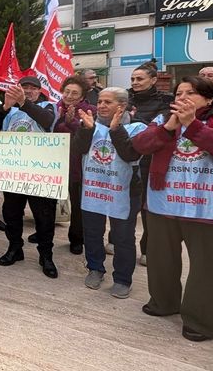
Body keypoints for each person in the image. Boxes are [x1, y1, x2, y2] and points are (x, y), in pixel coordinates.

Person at [132, 76, 213, 342]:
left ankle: (199, 321)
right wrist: (168, 128)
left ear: (209, 98)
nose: (181, 98)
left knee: (206, 267)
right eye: (178, 93)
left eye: (190, 93)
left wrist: (191, 125)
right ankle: (163, 302)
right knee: (161, 259)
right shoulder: (163, 121)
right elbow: (139, 145)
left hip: (209, 207)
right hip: (165, 203)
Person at [72, 88, 145, 299]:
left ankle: (122, 278)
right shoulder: (90, 124)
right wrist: (86, 130)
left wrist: (115, 129)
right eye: (100, 102)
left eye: (107, 102)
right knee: (93, 232)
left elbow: (131, 153)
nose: (101, 105)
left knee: (123, 237)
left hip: (124, 191)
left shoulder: (137, 127)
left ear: (121, 106)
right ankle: (95, 268)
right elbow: (79, 149)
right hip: (94, 188)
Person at [0, 76, 59, 278]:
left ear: (39, 91)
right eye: (24, 88)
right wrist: (5, 107)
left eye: (32, 88)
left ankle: (46, 255)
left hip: (41, 173)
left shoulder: (48, 107)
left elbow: (47, 121)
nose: (28, 91)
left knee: (44, 217)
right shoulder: (10, 111)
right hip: (14, 172)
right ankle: (15, 248)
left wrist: (24, 102)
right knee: (12, 213)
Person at [127, 60, 173, 265]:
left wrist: (135, 122)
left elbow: (161, 129)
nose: (135, 82)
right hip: (124, 157)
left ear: (153, 80)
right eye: (133, 79)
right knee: (125, 204)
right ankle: (116, 240)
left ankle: (147, 248)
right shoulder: (125, 98)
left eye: (140, 79)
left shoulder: (166, 101)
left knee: (147, 206)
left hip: (149, 161)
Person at [53, 75, 97, 255]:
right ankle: (43, 231)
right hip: (54, 164)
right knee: (49, 203)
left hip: (77, 166)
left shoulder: (89, 111)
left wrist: (71, 124)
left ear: (82, 96)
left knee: (78, 205)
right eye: (67, 91)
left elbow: (89, 136)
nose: (69, 96)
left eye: (74, 93)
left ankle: (77, 238)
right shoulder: (54, 108)